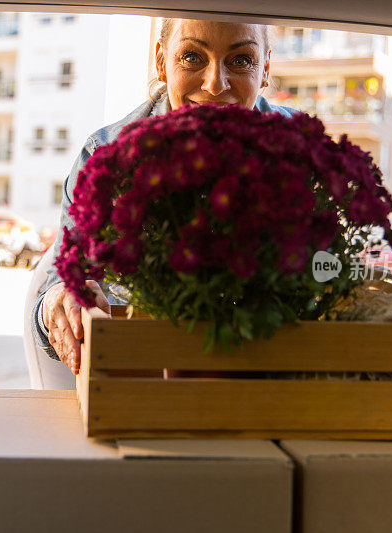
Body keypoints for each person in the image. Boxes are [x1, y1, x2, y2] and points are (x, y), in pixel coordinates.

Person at [32, 18, 296, 375]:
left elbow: (327, 273)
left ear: (265, 67)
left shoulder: (301, 152)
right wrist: (60, 300)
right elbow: (60, 285)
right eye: (191, 56)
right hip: (145, 378)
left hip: (266, 376)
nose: (215, 84)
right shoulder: (105, 155)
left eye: (240, 60)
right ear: (161, 61)